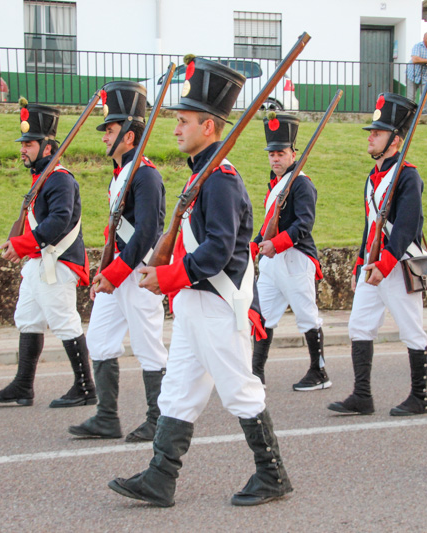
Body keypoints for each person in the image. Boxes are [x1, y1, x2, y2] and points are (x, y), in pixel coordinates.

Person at [107, 57, 292, 507]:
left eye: (184, 121)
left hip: (216, 305)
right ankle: (160, 477)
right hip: (194, 305)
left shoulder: (221, 181)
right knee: (178, 391)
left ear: (209, 126)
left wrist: (165, 277)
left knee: (240, 390)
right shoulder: (200, 176)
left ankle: (273, 474)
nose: (175, 129)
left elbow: (218, 252)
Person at [68, 81, 169, 441]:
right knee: (99, 340)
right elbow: (117, 234)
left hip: (137, 274)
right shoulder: (121, 175)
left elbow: (145, 234)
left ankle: (159, 419)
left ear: (129, 136)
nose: (104, 138)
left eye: (110, 131)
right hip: (117, 274)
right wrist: (105, 271)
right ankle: (106, 418)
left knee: (148, 348)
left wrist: (113, 273)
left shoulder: (145, 175)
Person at [0, 102, 95, 408]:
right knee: (28, 318)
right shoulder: (43, 178)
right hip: (40, 261)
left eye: (29, 144)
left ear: (47, 148)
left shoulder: (60, 178)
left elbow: (59, 221)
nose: (23, 150)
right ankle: (23, 385)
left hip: (58, 262)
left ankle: (86, 386)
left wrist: (21, 245)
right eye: (23, 144)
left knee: (64, 321)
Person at [328, 93, 427, 417]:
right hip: (374, 266)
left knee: (411, 329)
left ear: (395, 140)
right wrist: (362, 265)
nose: (370, 136)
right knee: (359, 326)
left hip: (399, 265)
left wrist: (383, 265)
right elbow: (370, 227)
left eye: (378, 132)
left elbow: (406, 227)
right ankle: (362, 395)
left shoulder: (408, 175)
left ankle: (420, 396)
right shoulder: (373, 179)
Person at [250, 112, 330, 391]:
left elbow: (304, 224)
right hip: (273, 261)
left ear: (293, 154)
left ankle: (319, 372)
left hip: (295, 259)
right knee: (262, 316)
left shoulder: (302, 183)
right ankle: (255, 373)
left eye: (280, 153)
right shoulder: (275, 184)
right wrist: (254, 244)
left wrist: (276, 244)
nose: (275, 158)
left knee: (307, 316)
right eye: (272, 153)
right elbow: (269, 226)